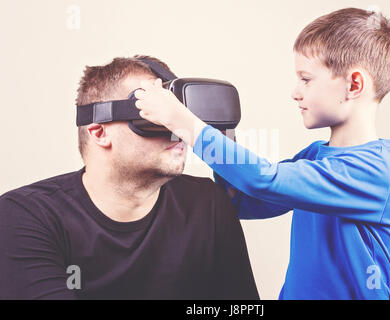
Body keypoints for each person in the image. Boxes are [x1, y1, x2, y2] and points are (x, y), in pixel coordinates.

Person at [133, 8, 390, 299]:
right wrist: (222, 131)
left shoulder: (375, 173)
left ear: (354, 85)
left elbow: (265, 180)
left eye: (306, 79)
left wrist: (184, 123)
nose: (295, 92)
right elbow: (246, 202)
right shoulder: (316, 156)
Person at [0, 55, 259, 300]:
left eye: (177, 116)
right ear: (99, 132)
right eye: (153, 118)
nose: (177, 132)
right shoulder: (26, 216)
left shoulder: (207, 203)